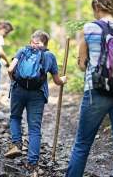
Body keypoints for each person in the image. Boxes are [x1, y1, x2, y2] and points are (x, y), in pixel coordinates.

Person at [66, 0, 113, 177]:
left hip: (96, 92)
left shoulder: (90, 28)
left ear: (97, 7)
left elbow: (81, 65)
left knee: (82, 144)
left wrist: (87, 61)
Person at [5, 30, 67, 176]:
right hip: (37, 94)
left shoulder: (22, 50)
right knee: (34, 128)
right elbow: (57, 81)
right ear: (46, 42)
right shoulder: (49, 55)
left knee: (15, 117)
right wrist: (63, 80)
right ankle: (32, 164)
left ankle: (16, 144)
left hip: (18, 90)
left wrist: (14, 80)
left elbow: (10, 69)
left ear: (32, 40)